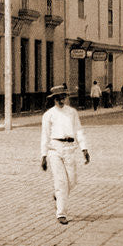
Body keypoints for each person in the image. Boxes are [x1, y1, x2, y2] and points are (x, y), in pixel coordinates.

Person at [40, 85, 90, 225]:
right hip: (54, 149)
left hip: (70, 148)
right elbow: (45, 135)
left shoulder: (72, 113)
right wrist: (43, 155)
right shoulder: (48, 115)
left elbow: (79, 130)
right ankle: (61, 213)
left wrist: (84, 149)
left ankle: (57, 195)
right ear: (53, 99)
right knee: (61, 182)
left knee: (72, 181)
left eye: (63, 97)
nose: (61, 101)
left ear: (66, 98)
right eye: (57, 98)